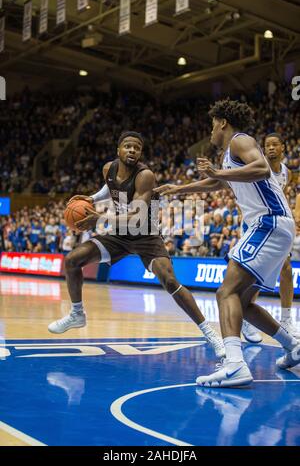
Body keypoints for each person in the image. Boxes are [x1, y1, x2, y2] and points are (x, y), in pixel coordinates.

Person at [155, 99, 300, 387]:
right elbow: (216, 183)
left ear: (222, 122)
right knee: (242, 303)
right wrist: (179, 188)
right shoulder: (227, 154)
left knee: (225, 293)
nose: (210, 131)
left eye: (211, 124)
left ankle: (235, 365)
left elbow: (260, 168)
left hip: (268, 222)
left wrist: (218, 173)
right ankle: (293, 346)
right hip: (274, 226)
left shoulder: (240, 140)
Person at [48, 131, 225, 358]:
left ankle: (210, 334)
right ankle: (77, 314)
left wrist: (99, 219)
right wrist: (93, 198)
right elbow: (110, 188)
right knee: (72, 260)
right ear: (118, 150)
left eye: (137, 148)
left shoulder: (145, 176)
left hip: (145, 235)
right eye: (128, 146)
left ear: (140, 153)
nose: (132, 150)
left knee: (170, 280)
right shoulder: (108, 169)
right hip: (119, 234)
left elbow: (136, 217)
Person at [242, 133, 300, 342]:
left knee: (286, 269)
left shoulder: (287, 173)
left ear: (283, 147)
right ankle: (247, 320)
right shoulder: (258, 166)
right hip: (255, 223)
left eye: (275, 144)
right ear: (263, 149)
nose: (271, 148)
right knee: (255, 274)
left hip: (276, 224)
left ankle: (286, 319)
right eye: (267, 145)